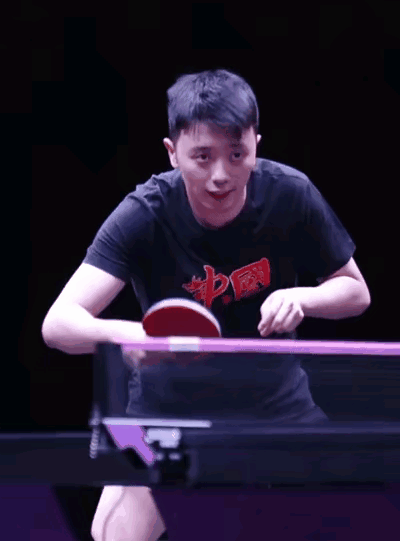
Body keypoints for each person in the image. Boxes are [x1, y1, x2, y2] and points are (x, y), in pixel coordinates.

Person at [41, 69, 371, 541]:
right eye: (202, 156)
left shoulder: (291, 194)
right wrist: (135, 336)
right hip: (164, 413)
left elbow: (356, 292)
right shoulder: (144, 213)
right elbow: (58, 323)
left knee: (356, 523)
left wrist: (303, 296)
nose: (221, 174)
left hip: (276, 407)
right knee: (112, 537)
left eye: (237, 154)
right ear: (172, 152)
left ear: (256, 143)